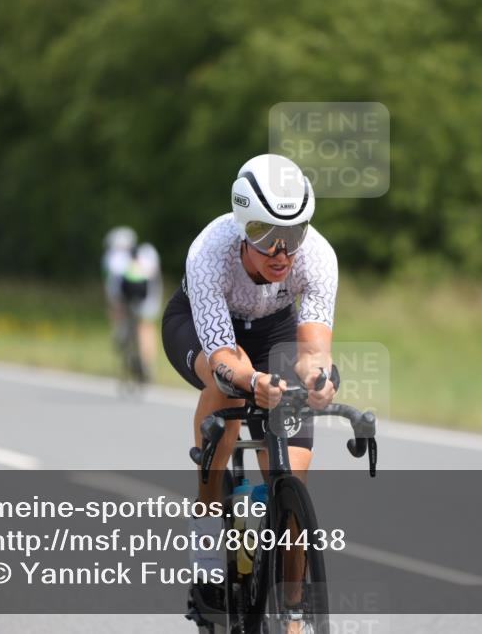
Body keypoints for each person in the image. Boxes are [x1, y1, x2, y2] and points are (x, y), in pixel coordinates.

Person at [162, 154, 339, 625]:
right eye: (265, 236)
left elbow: (313, 347)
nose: (282, 252)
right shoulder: (209, 253)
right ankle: (206, 552)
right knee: (229, 387)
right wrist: (255, 382)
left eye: (294, 234)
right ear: (242, 227)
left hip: (273, 330)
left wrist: (320, 379)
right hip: (204, 331)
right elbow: (223, 358)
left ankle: (294, 610)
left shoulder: (318, 256)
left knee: (293, 475)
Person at [102, 226, 162, 380]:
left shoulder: (112, 257)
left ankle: (121, 332)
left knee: (117, 310)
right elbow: (155, 280)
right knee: (146, 325)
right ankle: (147, 363)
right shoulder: (148, 252)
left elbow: (111, 287)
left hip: (124, 295)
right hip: (147, 294)